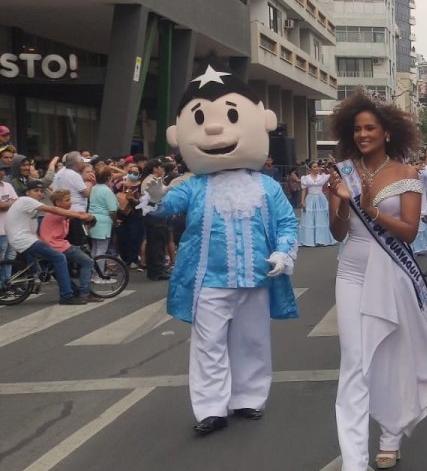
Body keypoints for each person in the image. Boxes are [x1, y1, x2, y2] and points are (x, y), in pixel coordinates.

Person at [153, 64, 300, 435]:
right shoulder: (194, 185)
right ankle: (210, 408)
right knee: (208, 345)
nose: (215, 129)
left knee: (252, 341)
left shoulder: (267, 187)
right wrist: (155, 195)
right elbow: (167, 208)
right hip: (210, 281)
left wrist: (284, 253)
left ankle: (249, 397)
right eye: (200, 121)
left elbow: (286, 223)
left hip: (256, 277)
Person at [325, 90, 427, 471]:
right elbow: (338, 234)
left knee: (390, 356)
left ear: (387, 132)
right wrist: (342, 204)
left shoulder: (407, 174)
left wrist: (368, 207)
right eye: (358, 129)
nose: (363, 135)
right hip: (351, 271)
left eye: (370, 128)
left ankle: (391, 436)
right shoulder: (344, 172)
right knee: (354, 362)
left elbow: (410, 233)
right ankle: (354, 460)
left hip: (392, 271)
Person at [4, 181, 97, 302]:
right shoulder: (25, 200)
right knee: (60, 258)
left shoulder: (31, 207)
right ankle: (66, 296)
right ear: (27, 192)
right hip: (24, 240)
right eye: (35, 191)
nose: (39, 193)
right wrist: (80, 216)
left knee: (54, 262)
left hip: (27, 239)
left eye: (41, 191)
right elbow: (53, 209)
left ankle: (76, 291)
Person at [87, 167, 120, 280]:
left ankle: (92, 274)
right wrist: (115, 222)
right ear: (108, 178)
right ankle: (98, 276)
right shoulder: (107, 190)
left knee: (94, 249)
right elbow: (112, 210)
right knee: (101, 250)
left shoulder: (94, 188)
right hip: (103, 222)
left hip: (93, 220)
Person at [299, 162, 335, 247]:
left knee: (321, 218)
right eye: (314, 167)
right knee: (309, 218)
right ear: (310, 168)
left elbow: (332, 173)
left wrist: (327, 166)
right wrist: (302, 201)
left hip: (320, 198)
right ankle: (309, 240)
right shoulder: (305, 178)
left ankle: (322, 239)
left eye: (317, 167)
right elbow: (304, 190)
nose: (316, 168)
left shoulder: (322, 177)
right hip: (310, 198)